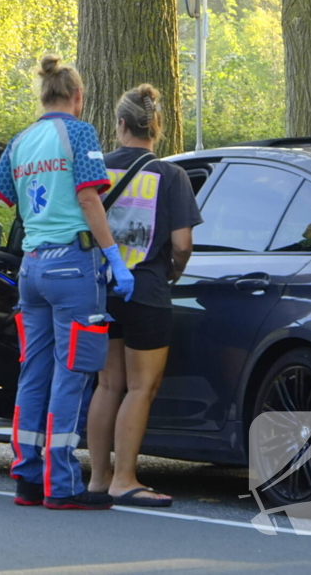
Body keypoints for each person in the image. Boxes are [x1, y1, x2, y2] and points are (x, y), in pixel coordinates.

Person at [0, 55, 135, 510]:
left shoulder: (22, 142)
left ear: (42, 96)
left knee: (34, 371)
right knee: (72, 373)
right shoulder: (78, 133)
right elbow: (89, 198)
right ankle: (61, 484)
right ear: (77, 97)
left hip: (32, 271)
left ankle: (26, 477)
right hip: (72, 268)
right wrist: (114, 258)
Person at [86, 84, 202, 507]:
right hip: (147, 290)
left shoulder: (99, 171)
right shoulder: (170, 176)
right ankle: (125, 478)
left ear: (120, 124)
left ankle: (98, 478)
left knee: (106, 383)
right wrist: (172, 272)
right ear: (157, 127)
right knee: (140, 387)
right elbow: (183, 243)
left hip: (101, 290)